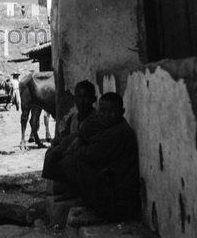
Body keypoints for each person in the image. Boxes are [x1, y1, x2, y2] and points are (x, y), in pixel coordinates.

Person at [60, 92, 140, 221]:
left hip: (120, 198)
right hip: (116, 187)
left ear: (122, 111)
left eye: (111, 111)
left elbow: (90, 154)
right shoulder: (113, 125)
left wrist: (77, 148)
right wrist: (80, 139)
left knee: (73, 162)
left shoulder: (118, 133)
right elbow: (91, 128)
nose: (105, 115)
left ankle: (103, 210)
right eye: (102, 111)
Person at [42, 80, 102, 183]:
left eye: (85, 97)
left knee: (68, 160)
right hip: (72, 151)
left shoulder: (96, 118)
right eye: (78, 97)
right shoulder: (73, 118)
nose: (82, 101)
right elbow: (65, 135)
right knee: (52, 154)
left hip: (86, 156)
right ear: (74, 99)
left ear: (93, 99)